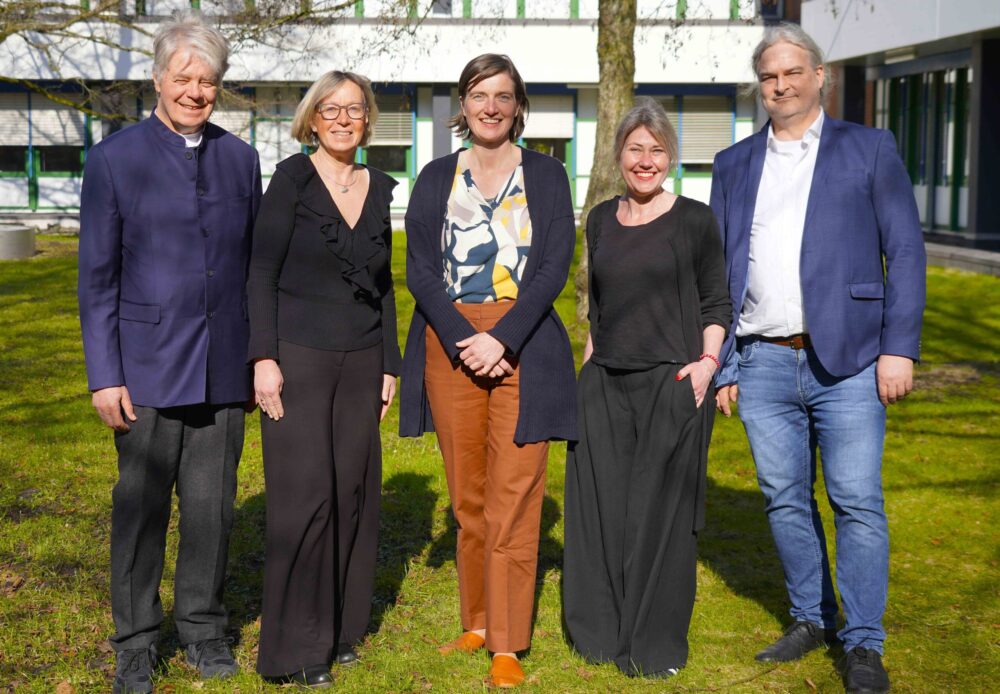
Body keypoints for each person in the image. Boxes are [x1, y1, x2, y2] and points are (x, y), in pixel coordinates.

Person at [710, 23, 926, 694]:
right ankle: (811, 617)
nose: (780, 85)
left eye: (792, 72)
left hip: (853, 360)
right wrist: (725, 363)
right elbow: (719, 272)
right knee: (783, 499)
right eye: (769, 76)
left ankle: (863, 644)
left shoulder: (869, 148)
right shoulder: (733, 163)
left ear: (820, 76)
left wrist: (899, 348)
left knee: (856, 500)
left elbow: (905, 250)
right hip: (763, 359)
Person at [77, 12, 261, 694]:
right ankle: (135, 640)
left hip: (222, 366)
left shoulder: (241, 159)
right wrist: (105, 376)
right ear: (158, 79)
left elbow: (254, 269)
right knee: (142, 510)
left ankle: (204, 631)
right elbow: (97, 279)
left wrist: (258, 357)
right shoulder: (114, 159)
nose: (195, 91)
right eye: (183, 77)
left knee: (212, 510)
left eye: (207, 80)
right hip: (146, 367)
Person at [398, 53, 576, 688]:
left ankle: (507, 641)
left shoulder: (547, 175)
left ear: (518, 105)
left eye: (503, 95)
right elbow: (420, 269)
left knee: (515, 496)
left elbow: (554, 266)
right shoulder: (435, 177)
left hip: (522, 341)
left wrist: (501, 338)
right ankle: (475, 620)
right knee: (468, 496)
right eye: (479, 95)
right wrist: (463, 338)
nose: (491, 107)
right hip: (450, 344)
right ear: (463, 106)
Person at [562, 98, 730, 679]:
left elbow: (716, 302)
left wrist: (707, 364)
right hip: (605, 384)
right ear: (618, 154)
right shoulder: (601, 219)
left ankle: (651, 646)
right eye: (635, 149)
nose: (645, 160)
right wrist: (587, 373)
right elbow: (599, 309)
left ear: (670, 158)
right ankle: (599, 633)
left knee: (661, 518)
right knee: (602, 512)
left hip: (672, 382)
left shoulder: (694, 220)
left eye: (657, 150)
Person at [247, 70, 401, 687]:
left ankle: (340, 630)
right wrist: (263, 358)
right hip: (299, 357)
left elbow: (385, 286)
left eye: (354, 109)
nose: (343, 119)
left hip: (362, 360)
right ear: (312, 120)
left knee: (352, 492)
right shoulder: (291, 180)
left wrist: (390, 362)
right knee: (305, 495)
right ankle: (296, 647)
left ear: (368, 121)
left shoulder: (379, 188)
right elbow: (261, 272)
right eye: (330, 110)